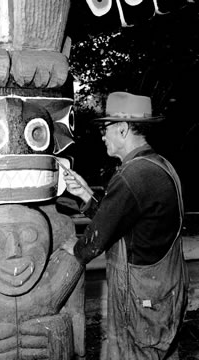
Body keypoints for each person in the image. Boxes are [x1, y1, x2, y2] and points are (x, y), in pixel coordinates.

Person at [61, 91, 189, 360]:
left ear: (122, 128)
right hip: (164, 293)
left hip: (142, 300)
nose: (103, 135)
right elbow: (123, 222)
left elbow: (93, 244)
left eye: (106, 129)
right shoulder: (160, 165)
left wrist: (76, 248)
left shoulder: (134, 175)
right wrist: (86, 195)